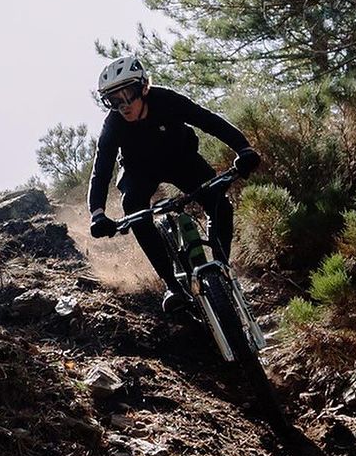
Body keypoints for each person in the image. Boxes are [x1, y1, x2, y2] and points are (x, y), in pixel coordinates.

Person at [87, 53, 260, 313]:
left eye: (128, 94)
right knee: (133, 206)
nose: (123, 105)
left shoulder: (166, 100)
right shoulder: (113, 125)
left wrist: (243, 149)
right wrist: (97, 213)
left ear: (143, 87)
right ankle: (171, 285)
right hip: (139, 171)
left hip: (181, 160)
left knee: (220, 205)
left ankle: (221, 265)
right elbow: (101, 170)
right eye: (114, 100)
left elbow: (208, 120)